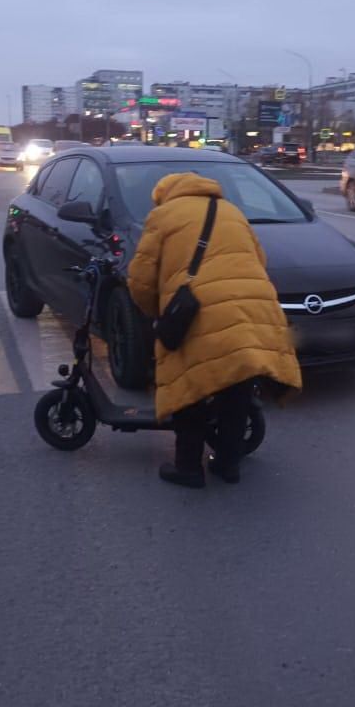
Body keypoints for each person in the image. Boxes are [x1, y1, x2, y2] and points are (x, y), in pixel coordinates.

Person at [127, 171, 302, 488]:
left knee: (191, 385)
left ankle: (188, 469)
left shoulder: (162, 215)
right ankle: (228, 464)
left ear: (165, 193)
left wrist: (157, 312)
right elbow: (258, 260)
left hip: (199, 312)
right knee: (236, 389)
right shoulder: (232, 212)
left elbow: (140, 279)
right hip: (254, 307)